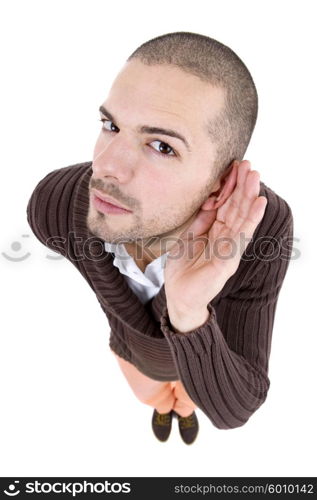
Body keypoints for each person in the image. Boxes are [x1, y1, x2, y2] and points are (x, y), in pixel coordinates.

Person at [26, 31, 293, 445]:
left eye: (161, 146)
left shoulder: (261, 228)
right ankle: (168, 411)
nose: (106, 167)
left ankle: (185, 412)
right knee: (155, 397)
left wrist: (188, 310)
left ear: (220, 181)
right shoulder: (56, 205)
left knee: (191, 399)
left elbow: (236, 407)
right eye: (110, 125)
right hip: (133, 355)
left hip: (209, 358)